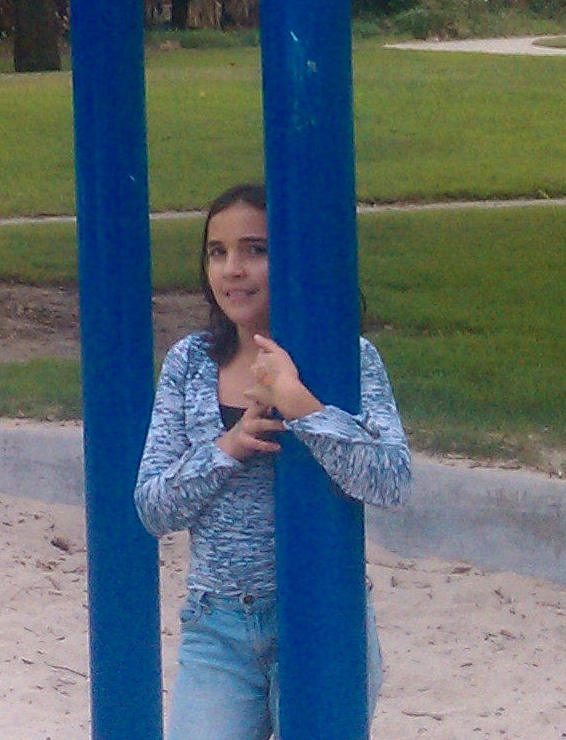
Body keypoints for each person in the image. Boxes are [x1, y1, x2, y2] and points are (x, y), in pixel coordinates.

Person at [136, 183, 412, 740]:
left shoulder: (347, 359)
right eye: (217, 252)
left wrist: (299, 404)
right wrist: (228, 448)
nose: (232, 269)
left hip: (321, 616)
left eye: (255, 250)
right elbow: (153, 507)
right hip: (219, 626)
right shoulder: (191, 362)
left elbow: (391, 481)